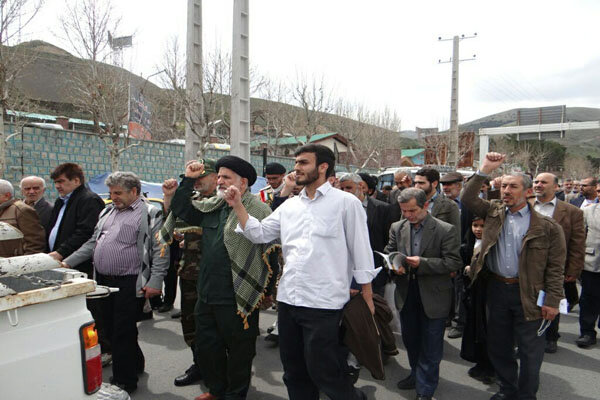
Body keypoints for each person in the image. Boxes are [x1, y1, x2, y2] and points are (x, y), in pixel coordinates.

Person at [227, 144, 378, 400]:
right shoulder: (290, 206)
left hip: (324, 304)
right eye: (296, 163)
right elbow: (259, 233)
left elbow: (362, 252)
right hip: (288, 301)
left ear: (323, 167)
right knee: (293, 371)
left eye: (303, 163)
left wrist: (368, 297)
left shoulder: (346, 203)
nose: (296, 168)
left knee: (324, 372)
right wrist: (238, 204)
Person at [166, 156, 272, 400]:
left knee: (239, 351)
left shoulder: (259, 210)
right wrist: (189, 180)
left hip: (237, 294)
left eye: (226, 177)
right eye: (220, 176)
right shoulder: (213, 205)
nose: (220, 181)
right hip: (208, 292)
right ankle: (216, 390)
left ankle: (235, 395)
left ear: (243, 183)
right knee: (207, 346)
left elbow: (271, 254)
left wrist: (267, 293)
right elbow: (183, 209)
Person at [462, 152, 566, 400]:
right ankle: (507, 390)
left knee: (531, 352)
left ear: (528, 192)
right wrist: (485, 169)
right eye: (504, 185)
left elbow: (555, 267)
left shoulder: (547, 227)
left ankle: (527, 395)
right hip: (497, 290)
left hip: (529, 294)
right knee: (499, 347)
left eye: (513, 186)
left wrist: (552, 301)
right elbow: (467, 197)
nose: (506, 190)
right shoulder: (493, 212)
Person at [63, 172, 169, 394]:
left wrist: (156, 280)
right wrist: (67, 262)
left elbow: (160, 250)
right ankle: (135, 364)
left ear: (134, 191)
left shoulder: (150, 212)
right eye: (111, 193)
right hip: (104, 282)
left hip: (130, 282)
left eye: (118, 193)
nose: (113, 197)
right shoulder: (107, 210)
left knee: (122, 332)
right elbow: (94, 242)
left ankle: (124, 381)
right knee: (112, 330)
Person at [385, 188, 462, 400]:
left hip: (434, 295)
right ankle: (416, 373)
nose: (408, 215)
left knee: (431, 344)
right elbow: (389, 250)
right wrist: (393, 265)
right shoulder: (397, 227)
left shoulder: (444, 230)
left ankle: (425, 389)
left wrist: (423, 264)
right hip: (406, 293)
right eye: (404, 211)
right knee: (411, 340)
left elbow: (453, 262)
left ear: (425, 206)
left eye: (413, 210)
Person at [161, 159, 218, 387]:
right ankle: (200, 365)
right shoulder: (191, 200)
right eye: (194, 176)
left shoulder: (220, 202)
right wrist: (169, 196)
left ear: (216, 177)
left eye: (202, 175)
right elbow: (175, 217)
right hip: (189, 272)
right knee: (190, 324)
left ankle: (218, 368)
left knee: (214, 327)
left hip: (214, 276)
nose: (197, 180)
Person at [533, 172, 585, 353]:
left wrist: (573, 269)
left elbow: (577, 244)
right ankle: (528, 337)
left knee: (551, 300)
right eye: (536, 181)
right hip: (528, 266)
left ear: (556, 187)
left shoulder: (572, 212)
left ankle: (551, 336)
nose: (538, 185)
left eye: (543, 182)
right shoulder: (526, 206)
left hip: (555, 266)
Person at [46, 163, 105, 277]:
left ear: (76, 181)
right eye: (56, 182)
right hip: (58, 261)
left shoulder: (89, 200)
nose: (57, 186)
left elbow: (86, 233)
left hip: (78, 265)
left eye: (61, 181)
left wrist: (61, 252)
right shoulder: (61, 201)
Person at [339, 173, 393, 296]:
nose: (345, 192)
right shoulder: (337, 209)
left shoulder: (382, 209)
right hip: (345, 274)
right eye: (341, 189)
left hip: (374, 273)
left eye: (348, 188)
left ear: (361, 186)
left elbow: (387, 241)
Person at [460, 216, 495, 384]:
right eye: (475, 225)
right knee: (475, 329)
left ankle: (491, 367)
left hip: (489, 295)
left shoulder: (493, 246)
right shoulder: (468, 244)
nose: (478, 229)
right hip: (473, 294)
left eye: (482, 226)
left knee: (489, 331)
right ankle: (480, 362)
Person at [441, 171, 473, 339]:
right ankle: (447, 316)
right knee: (447, 287)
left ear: (459, 185)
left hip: (463, 251)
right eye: (443, 185)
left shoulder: (468, 204)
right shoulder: (440, 204)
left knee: (460, 288)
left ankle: (459, 323)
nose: (445, 188)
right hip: (444, 252)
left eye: (449, 185)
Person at [577, 186, 600, 349]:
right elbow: (578, 238)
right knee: (588, 299)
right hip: (592, 263)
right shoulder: (588, 211)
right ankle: (587, 332)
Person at [0, 179, 45, 256]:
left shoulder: (21, 210)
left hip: (16, 263)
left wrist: (25, 264)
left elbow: (35, 242)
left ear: (7, 196)